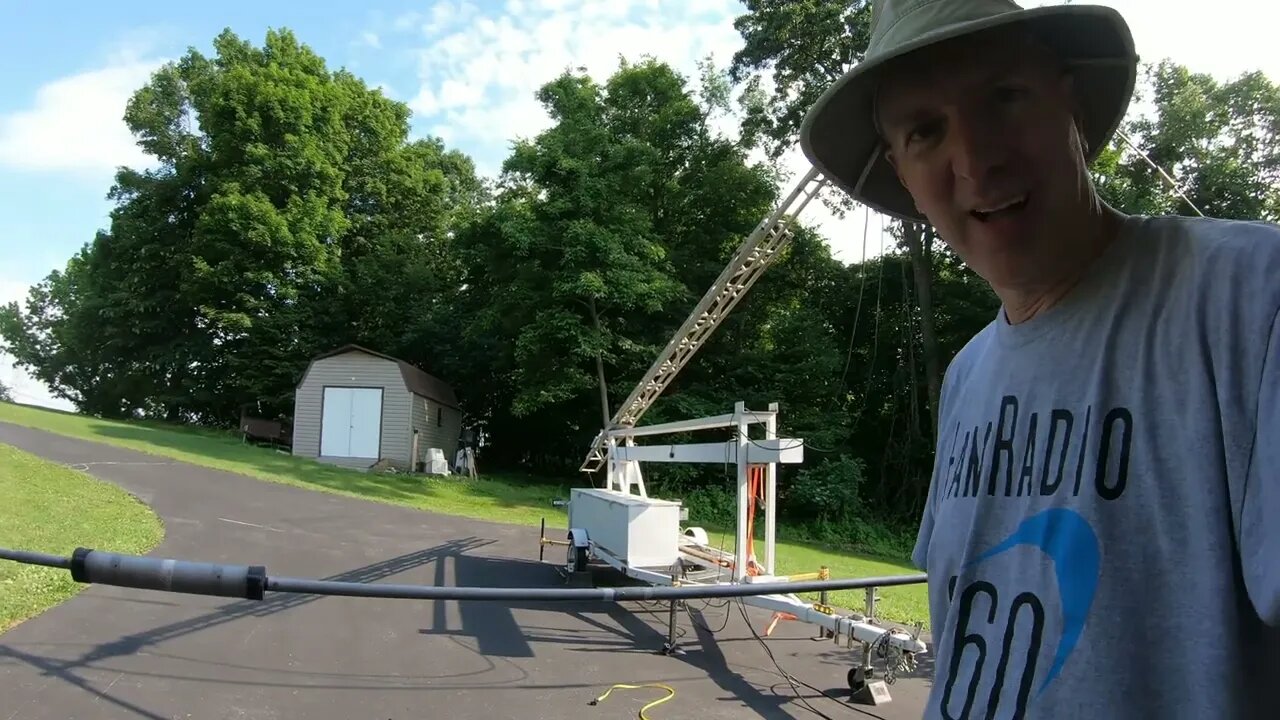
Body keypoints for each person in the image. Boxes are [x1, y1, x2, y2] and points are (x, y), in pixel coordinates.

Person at [799, 1, 1280, 718]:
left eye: (1004, 97)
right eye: (926, 131)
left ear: (1072, 102)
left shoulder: (1251, 301)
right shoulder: (967, 376)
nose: (977, 159)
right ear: (902, 173)